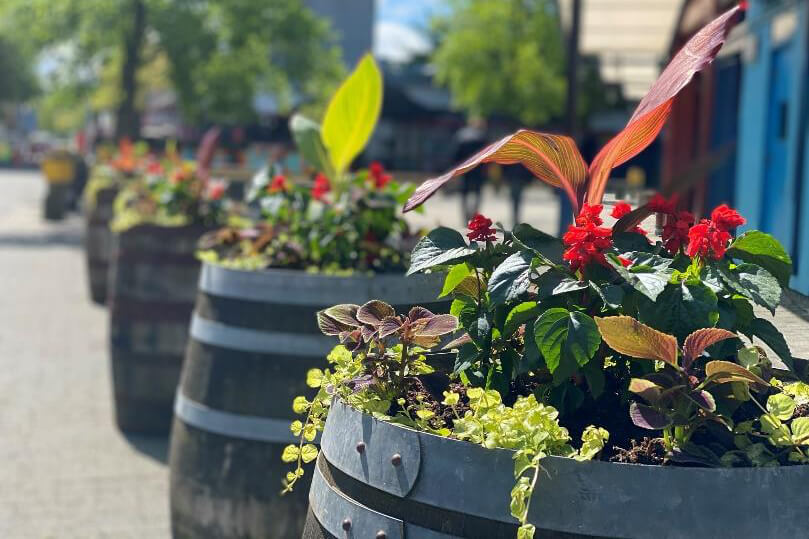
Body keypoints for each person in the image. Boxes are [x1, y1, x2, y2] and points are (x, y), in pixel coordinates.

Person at [453, 118, 488, 222]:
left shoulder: (461, 136)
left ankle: (465, 217)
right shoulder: (482, 138)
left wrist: (456, 169)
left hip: (465, 169)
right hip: (478, 170)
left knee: (464, 194)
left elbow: (456, 155)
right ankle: (474, 215)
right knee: (477, 194)